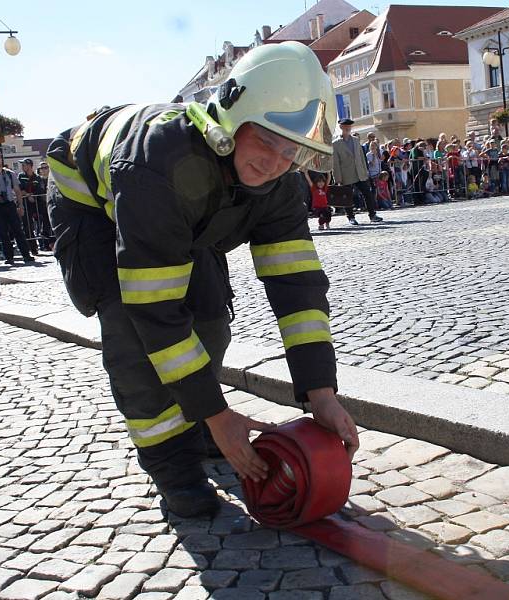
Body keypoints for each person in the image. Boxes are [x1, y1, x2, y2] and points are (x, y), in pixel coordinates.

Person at [45, 41, 359, 518]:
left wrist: (321, 392)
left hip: (189, 205)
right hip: (95, 204)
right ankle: (171, 464)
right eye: (267, 140)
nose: (274, 161)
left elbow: (298, 288)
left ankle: (198, 424)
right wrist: (218, 414)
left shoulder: (277, 183)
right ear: (233, 123)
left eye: (290, 150)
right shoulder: (160, 162)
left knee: (211, 322)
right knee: (133, 338)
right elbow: (154, 311)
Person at [0, 150, 35, 264]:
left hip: (10, 204)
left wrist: (21, 206)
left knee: (18, 231)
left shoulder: (10, 173)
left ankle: (26, 254)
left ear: (1, 159)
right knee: (3, 232)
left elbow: (17, 190)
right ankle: (9, 257)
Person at [331, 118, 382, 225]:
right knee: (347, 196)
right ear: (341, 127)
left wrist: (365, 171)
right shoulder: (335, 144)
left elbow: (362, 157)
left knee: (367, 194)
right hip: (346, 174)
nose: (347, 129)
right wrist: (338, 178)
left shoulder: (355, 140)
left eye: (349, 127)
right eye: (345, 127)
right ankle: (350, 217)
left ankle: (372, 215)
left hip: (360, 172)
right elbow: (335, 163)